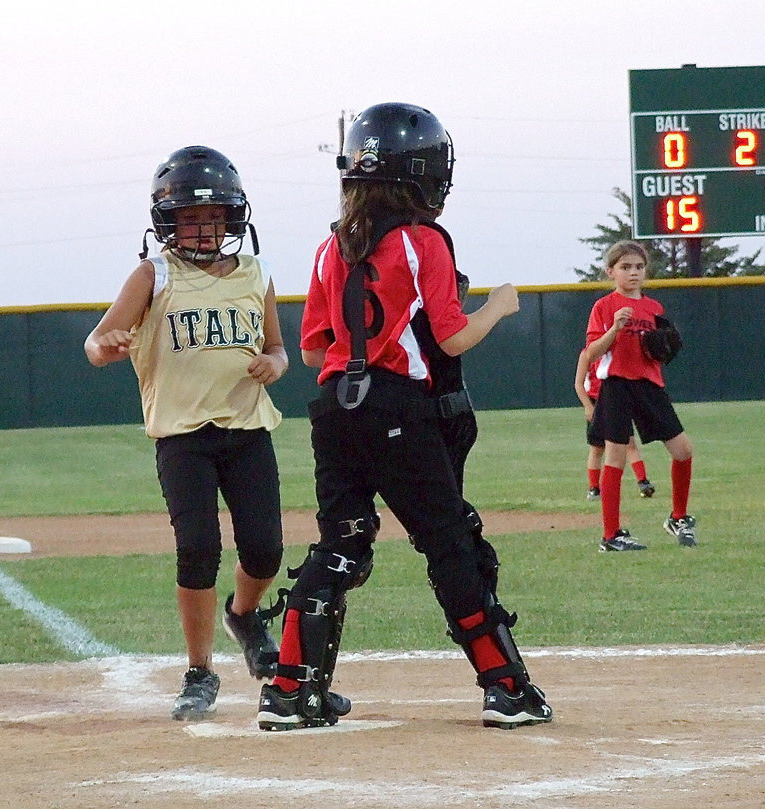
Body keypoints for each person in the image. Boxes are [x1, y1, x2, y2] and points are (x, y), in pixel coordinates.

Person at [255, 102, 553, 732]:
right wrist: (498, 307)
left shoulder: (330, 246)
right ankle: (505, 688)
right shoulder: (423, 240)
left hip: (336, 406)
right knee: (451, 541)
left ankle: (289, 690)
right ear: (421, 173)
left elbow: (314, 349)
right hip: (398, 405)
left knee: (343, 542)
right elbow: (449, 340)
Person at [84, 145, 286, 721]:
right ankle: (199, 671)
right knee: (197, 547)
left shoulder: (256, 274)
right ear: (167, 222)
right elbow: (95, 342)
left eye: (214, 215)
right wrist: (109, 347)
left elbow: (276, 346)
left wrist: (276, 363)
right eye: (191, 217)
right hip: (182, 437)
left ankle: (244, 617)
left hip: (247, 429)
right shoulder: (153, 274)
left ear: (232, 218)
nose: (203, 227)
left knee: (265, 548)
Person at [584, 240, 696, 551]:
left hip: (649, 385)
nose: (633, 272)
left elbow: (661, 352)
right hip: (617, 385)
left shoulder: (654, 308)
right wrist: (615, 329)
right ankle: (611, 535)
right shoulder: (604, 307)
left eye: (638, 267)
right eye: (625, 267)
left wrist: (665, 345)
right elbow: (592, 352)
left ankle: (678, 517)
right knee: (616, 457)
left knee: (683, 450)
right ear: (611, 272)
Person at [574, 347, 654, 501]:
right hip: (596, 402)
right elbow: (578, 384)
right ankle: (594, 488)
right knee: (597, 448)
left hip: (616, 401)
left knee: (629, 443)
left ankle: (643, 482)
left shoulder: (615, 351)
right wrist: (588, 406)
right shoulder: (587, 354)